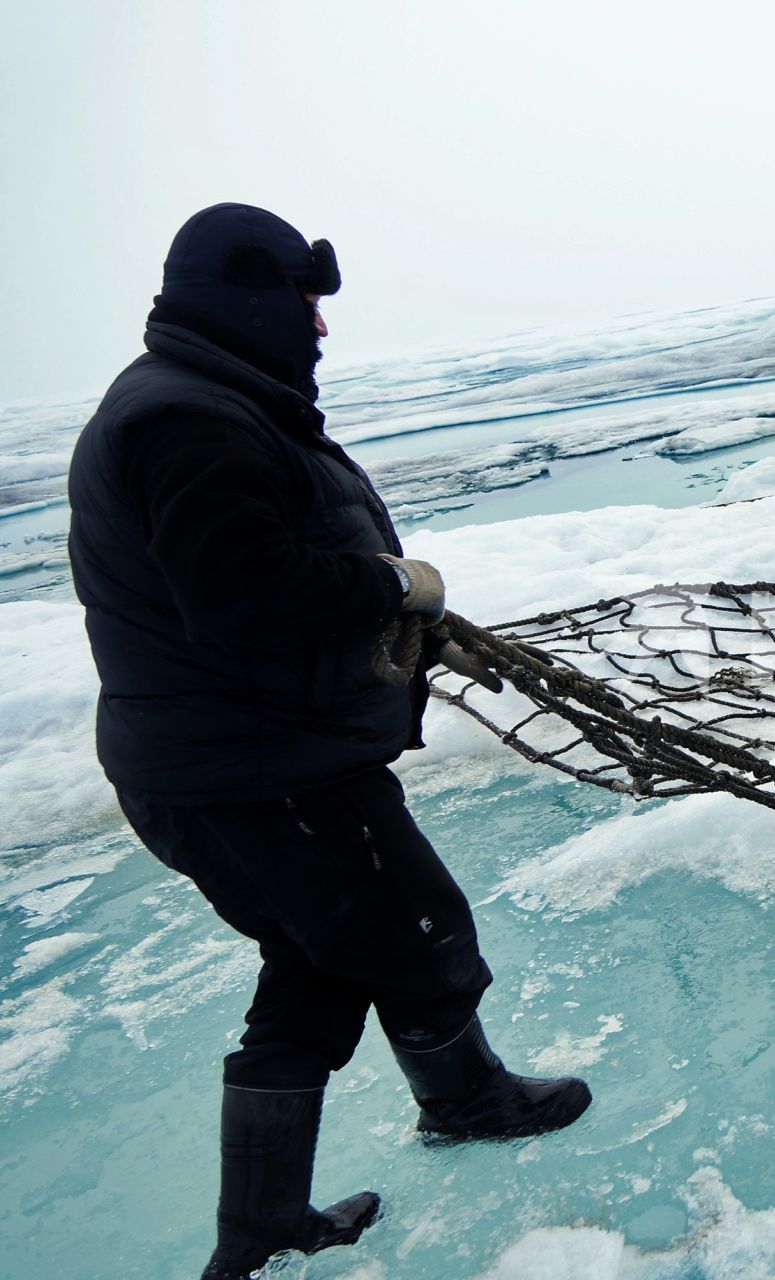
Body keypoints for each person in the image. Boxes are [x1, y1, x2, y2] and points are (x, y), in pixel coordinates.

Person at [66, 203, 592, 1279]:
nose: (319, 324)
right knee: (410, 926)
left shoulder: (206, 397)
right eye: (306, 300)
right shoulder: (187, 418)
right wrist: (393, 585)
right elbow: (245, 589)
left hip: (242, 755)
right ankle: (466, 1102)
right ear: (247, 295)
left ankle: (264, 1220)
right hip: (250, 766)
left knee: (321, 957)